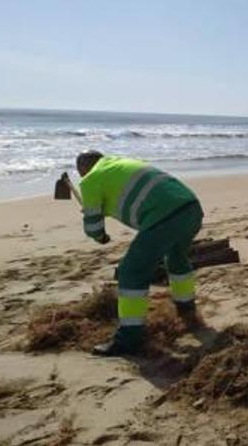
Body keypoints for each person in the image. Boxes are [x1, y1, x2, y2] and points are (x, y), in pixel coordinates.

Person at [76, 150, 203, 356]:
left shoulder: (90, 180)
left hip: (164, 217)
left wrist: (99, 236)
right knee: (177, 260)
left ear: (82, 169)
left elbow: (92, 225)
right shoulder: (120, 164)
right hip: (191, 208)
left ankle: (129, 339)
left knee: (131, 272)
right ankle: (186, 309)